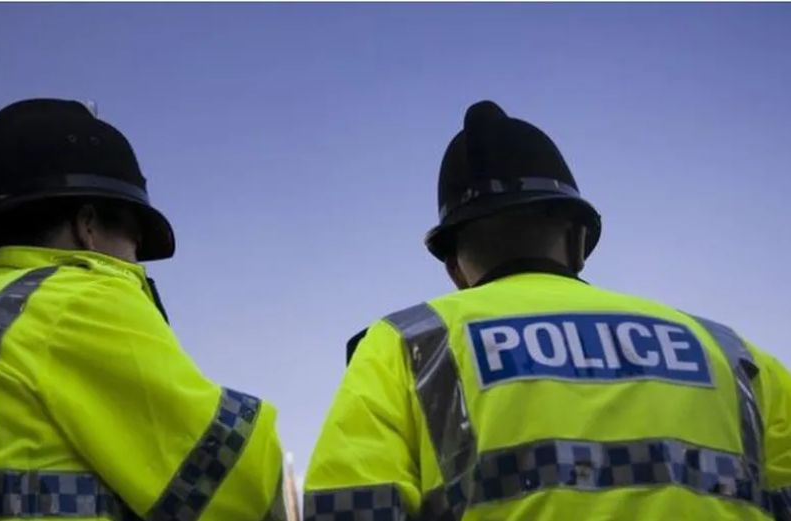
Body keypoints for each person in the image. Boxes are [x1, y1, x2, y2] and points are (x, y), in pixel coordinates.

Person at [303, 100, 791, 520]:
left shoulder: (406, 345)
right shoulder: (735, 356)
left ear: (454, 268)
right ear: (579, 241)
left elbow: (349, 506)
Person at [0, 99, 287, 521]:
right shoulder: (74, 301)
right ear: (88, 225)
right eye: (135, 241)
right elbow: (235, 486)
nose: (137, 263)